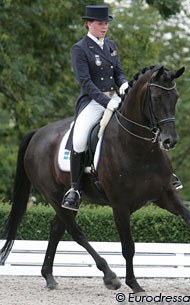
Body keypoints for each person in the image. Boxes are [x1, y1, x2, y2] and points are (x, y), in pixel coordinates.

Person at [62, 5, 129, 211]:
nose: (104, 27)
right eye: (100, 23)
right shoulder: (80, 48)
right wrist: (106, 101)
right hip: (93, 102)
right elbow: (86, 82)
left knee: (142, 120)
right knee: (80, 139)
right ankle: (74, 190)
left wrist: (125, 84)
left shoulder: (110, 45)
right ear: (88, 24)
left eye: (106, 23)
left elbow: (117, 72)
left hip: (115, 98)